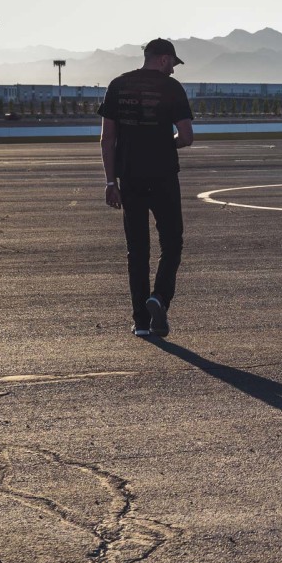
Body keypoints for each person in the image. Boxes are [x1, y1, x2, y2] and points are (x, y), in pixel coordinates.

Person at [99, 38, 194, 338]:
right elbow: (187, 136)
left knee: (137, 251)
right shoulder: (171, 88)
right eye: (173, 65)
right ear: (165, 60)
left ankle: (141, 320)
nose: (173, 71)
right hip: (163, 175)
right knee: (172, 244)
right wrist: (167, 144)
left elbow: (106, 139)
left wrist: (110, 182)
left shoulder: (117, 85)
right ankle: (160, 298)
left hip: (129, 177)